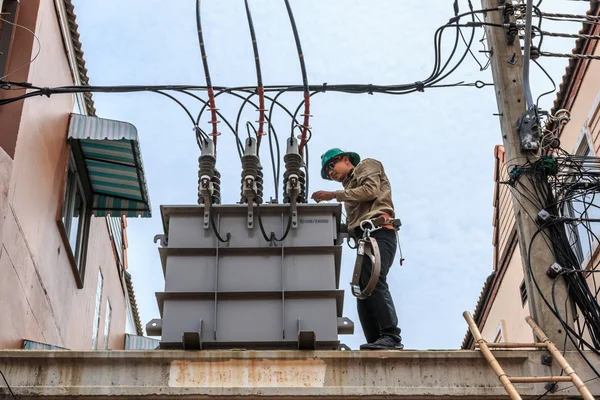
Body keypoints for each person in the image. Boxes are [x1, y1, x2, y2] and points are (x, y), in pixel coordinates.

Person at [311, 148, 403, 350]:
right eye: (327, 172)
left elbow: (371, 190)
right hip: (366, 238)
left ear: (345, 159)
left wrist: (334, 195)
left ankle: (391, 336)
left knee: (373, 280)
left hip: (379, 231)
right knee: (361, 289)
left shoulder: (366, 165)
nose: (330, 173)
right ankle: (376, 341)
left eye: (331, 166)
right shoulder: (349, 190)